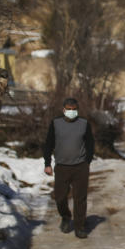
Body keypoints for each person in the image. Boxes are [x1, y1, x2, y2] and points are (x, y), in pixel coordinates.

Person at [44, 97, 94, 239]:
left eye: (74, 109)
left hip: (80, 167)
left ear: (77, 110)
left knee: (80, 198)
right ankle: (66, 217)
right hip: (62, 167)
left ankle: (79, 227)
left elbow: (90, 143)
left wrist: (87, 161)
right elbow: (48, 144)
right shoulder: (56, 123)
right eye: (69, 109)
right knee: (60, 197)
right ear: (63, 109)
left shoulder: (84, 124)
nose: (71, 112)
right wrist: (47, 163)